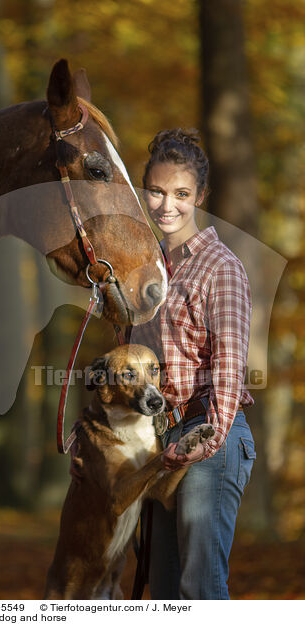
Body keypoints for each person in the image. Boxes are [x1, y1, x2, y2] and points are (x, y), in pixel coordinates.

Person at [130, 128, 256, 600]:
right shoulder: (144, 269)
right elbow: (126, 367)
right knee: (163, 594)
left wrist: (203, 441)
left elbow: (228, 370)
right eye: (157, 191)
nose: (167, 205)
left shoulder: (220, 267)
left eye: (181, 194)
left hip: (211, 437)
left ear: (200, 196)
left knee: (198, 590)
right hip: (161, 442)